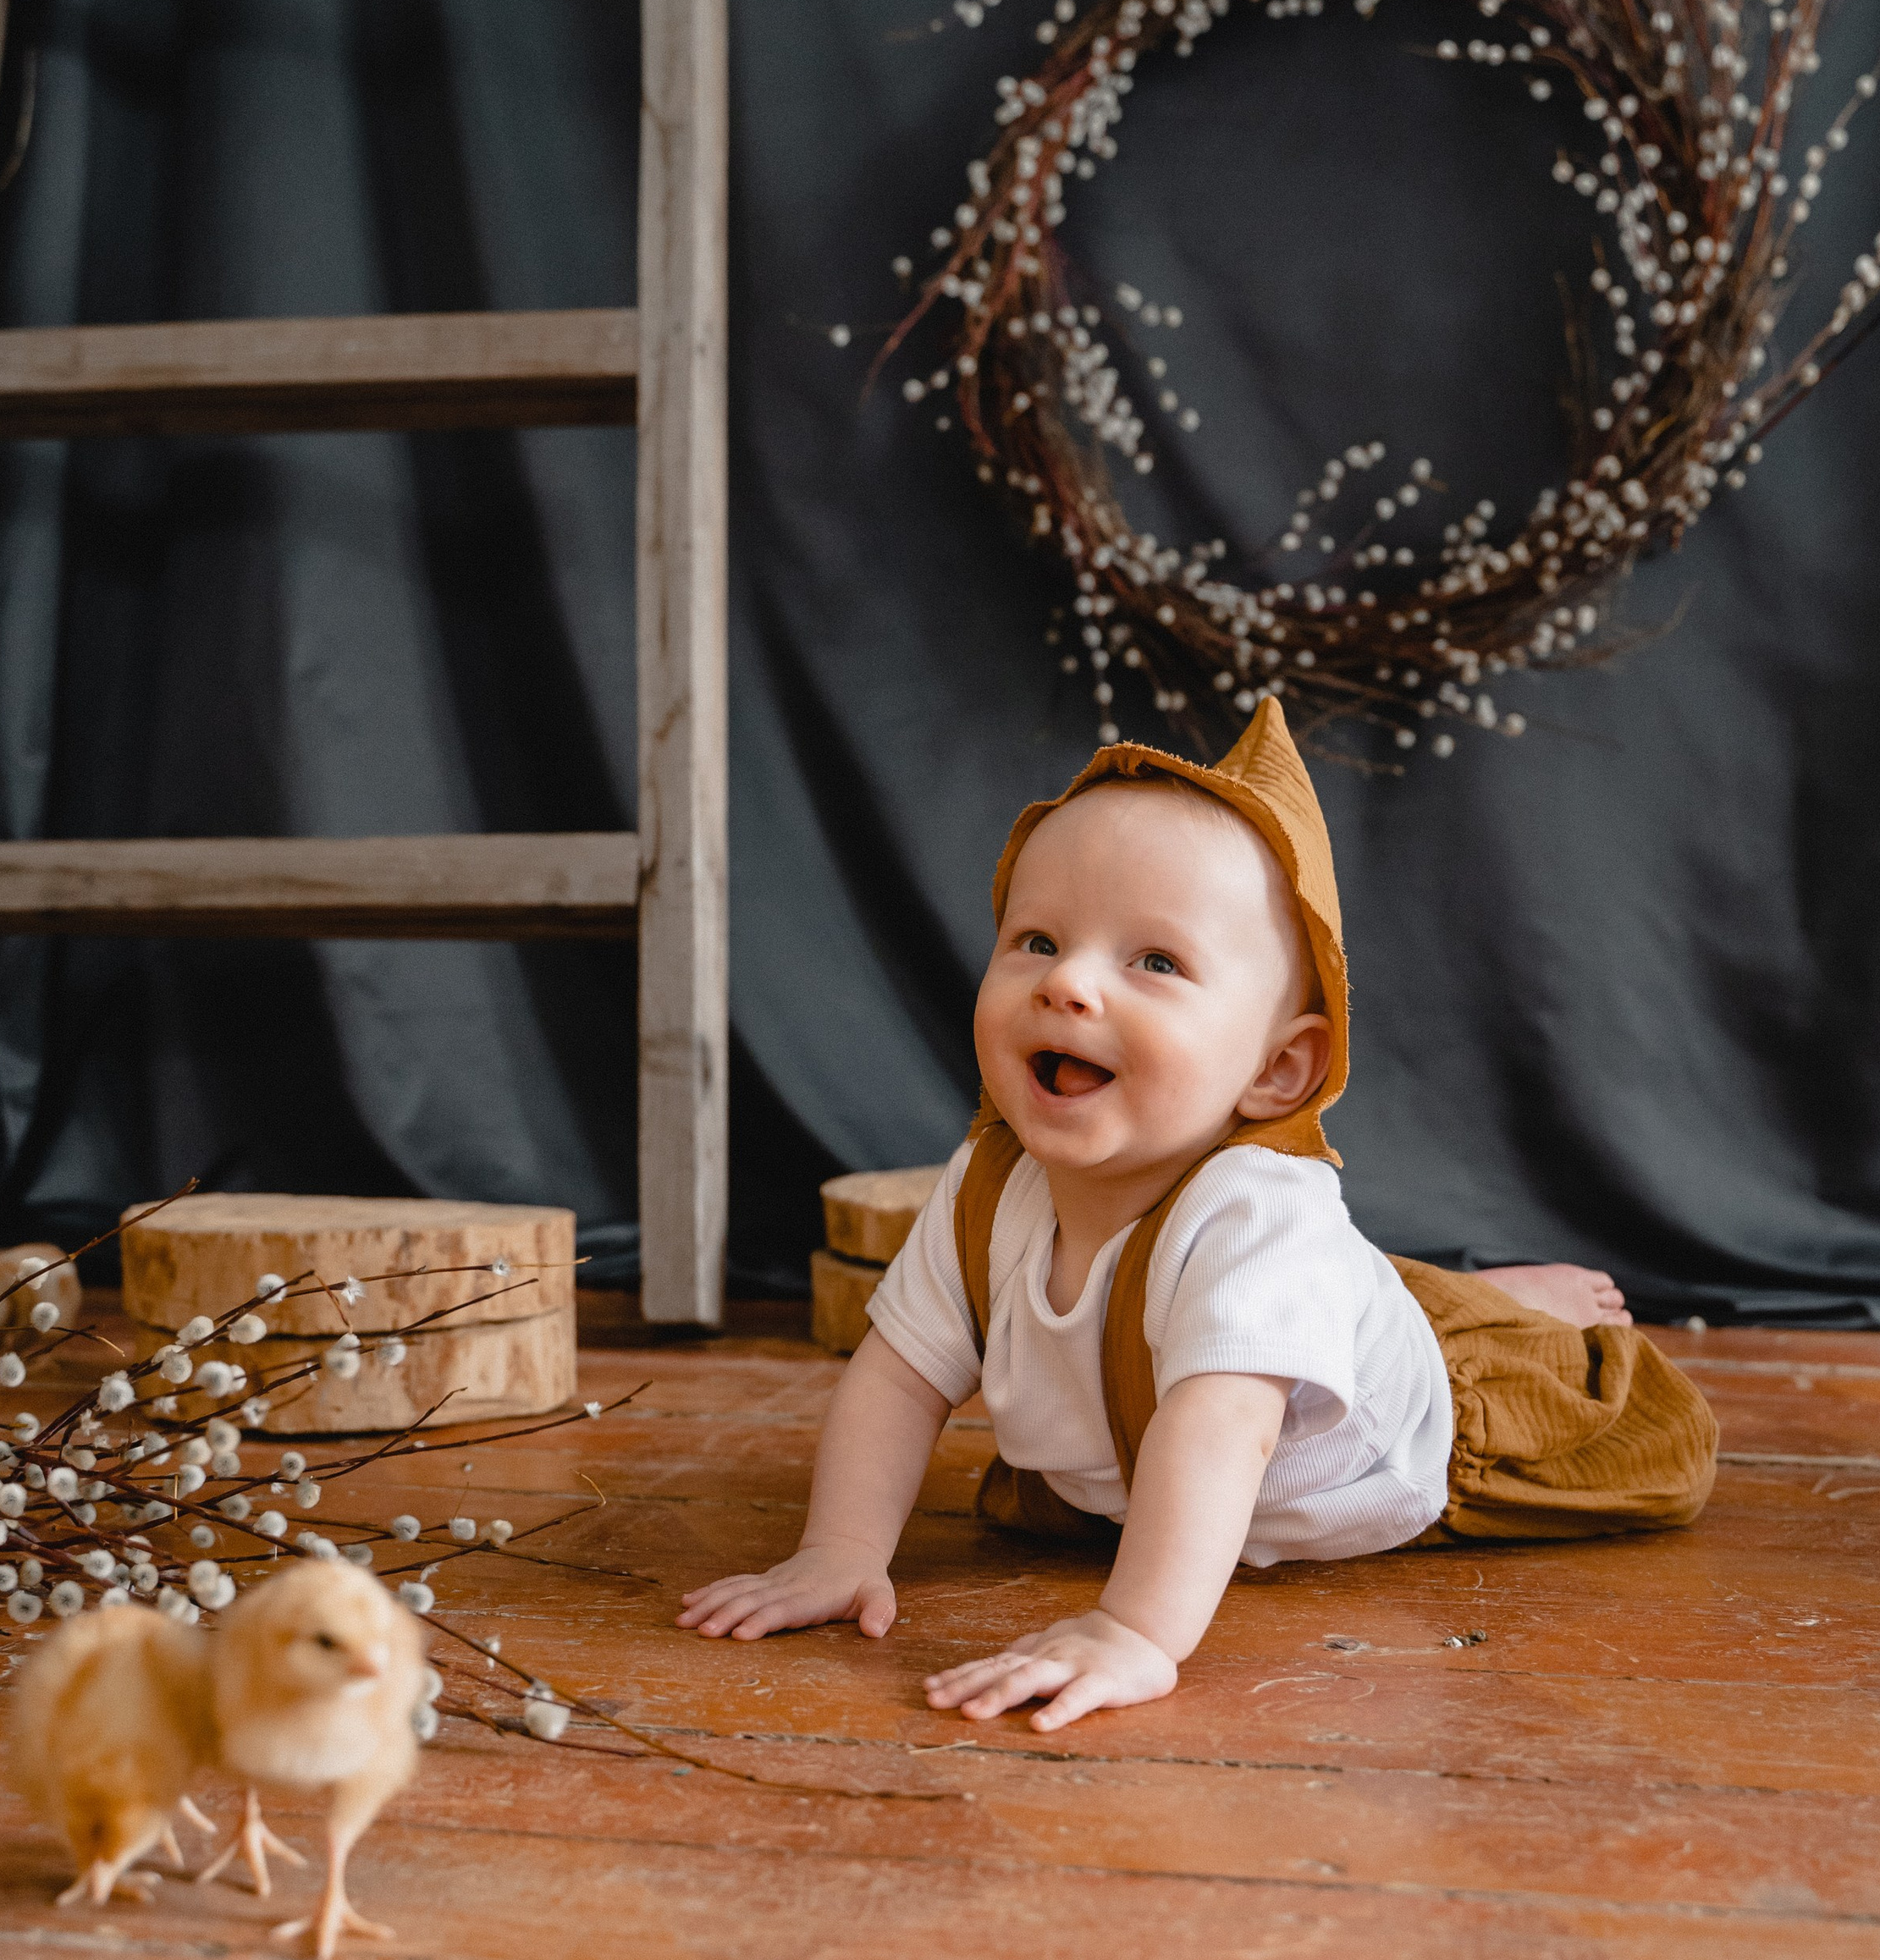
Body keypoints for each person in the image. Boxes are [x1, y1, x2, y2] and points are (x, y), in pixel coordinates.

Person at [679, 702, 1716, 1732]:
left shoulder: (1259, 1216)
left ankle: (1485, 1310)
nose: (1068, 983)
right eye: (1036, 939)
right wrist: (840, 1549)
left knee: (1653, 1448)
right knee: (1304, 1301)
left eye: (1155, 962)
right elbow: (898, 1376)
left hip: (1411, 1440)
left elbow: (1222, 1432)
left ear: (1277, 1070)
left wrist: (1135, 1629)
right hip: (1193, 1397)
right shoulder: (985, 1188)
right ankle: (1422, 1292)